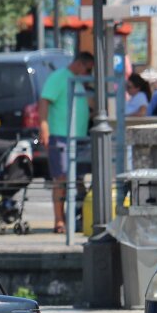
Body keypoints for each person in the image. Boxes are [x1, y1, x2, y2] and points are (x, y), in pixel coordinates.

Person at [38, 51, 93, 234]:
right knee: (61, 178)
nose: (89, 73)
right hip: (61, 135)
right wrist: (44, 126)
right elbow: (45, 100)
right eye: (88, 68)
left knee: (77, 179)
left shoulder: (76, 80)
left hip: (78, 137)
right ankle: (59, 220)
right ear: (79, 64)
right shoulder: (60, 77)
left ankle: (78, 215)